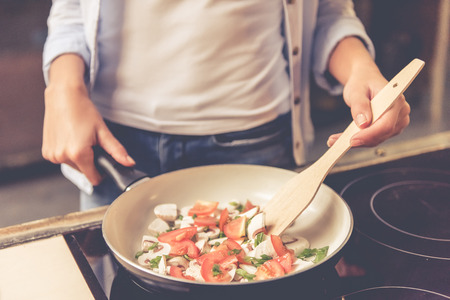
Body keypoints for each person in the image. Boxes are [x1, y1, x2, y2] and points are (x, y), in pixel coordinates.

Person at [42, 0, 410, 210]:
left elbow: (327, 11)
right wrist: (64, 87)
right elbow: (72, 10)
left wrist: (361, 68)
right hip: (117, 149)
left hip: (255, 145)